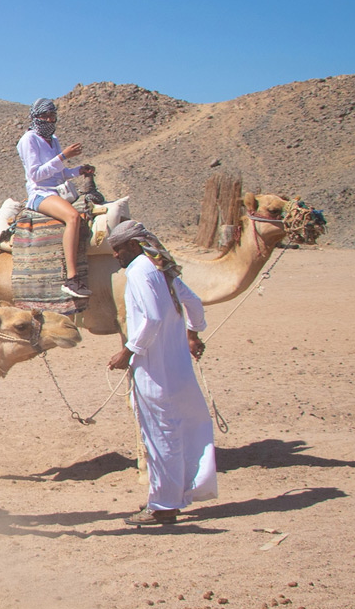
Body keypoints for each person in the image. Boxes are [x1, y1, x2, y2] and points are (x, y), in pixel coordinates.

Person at [106, 219, 217, 526]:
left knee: (160, 434)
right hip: (179, 367)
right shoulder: (162, 269)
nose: (115, 256)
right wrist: (193, 335)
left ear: (132, 245)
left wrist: (126, 352)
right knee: (182, 428)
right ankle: (180, 494)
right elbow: (193, 303)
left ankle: (163, 506)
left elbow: (152, 318)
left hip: (155, 371)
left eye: (117, 250)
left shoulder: (139, 269)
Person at [17, 97, 94, 298]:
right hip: (40, 193)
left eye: (52, 116)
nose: (49, 121)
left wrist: (78, 170)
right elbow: (36, 175)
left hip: (58, 190)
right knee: (73, 217)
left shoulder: (54, 140)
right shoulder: (29, 140)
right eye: (45, 116)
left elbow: (59, 173)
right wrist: (63, 156)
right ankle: (71, 278)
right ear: (36, 117)